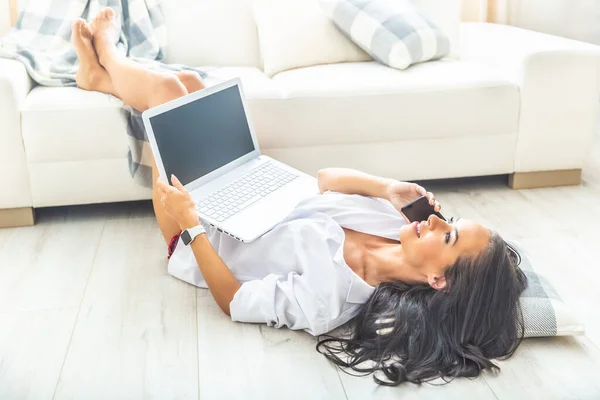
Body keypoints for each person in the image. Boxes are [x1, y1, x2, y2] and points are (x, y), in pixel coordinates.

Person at [72, 8, 528, 386]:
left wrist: (190, 222)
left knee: (168, 93)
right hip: (251, 186)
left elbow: (234, 300)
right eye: (452, 221)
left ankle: (108, 54)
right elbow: (325, 178)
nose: (437, 221)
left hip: (198, 233)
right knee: (189, 81)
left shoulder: (331, 298)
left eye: (448, 238)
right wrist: (386, 187)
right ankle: (100, 76)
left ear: (437, 281)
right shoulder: (394, 227)